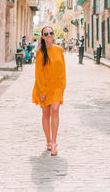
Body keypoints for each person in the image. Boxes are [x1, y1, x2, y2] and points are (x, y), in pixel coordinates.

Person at [32, 26, 66, 156]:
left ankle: (54, 142)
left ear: (54, 34)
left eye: (51, 33)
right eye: (46, 34)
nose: (49, 35)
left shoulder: (59, 50)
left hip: (57, 87)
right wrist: (41, 90)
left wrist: (63, 86)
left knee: (55, 110)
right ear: (42, 36)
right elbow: (38, 73)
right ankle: (48, 140)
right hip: (44, 87)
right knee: (46, 114)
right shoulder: (41, 52)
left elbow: (63, 69)